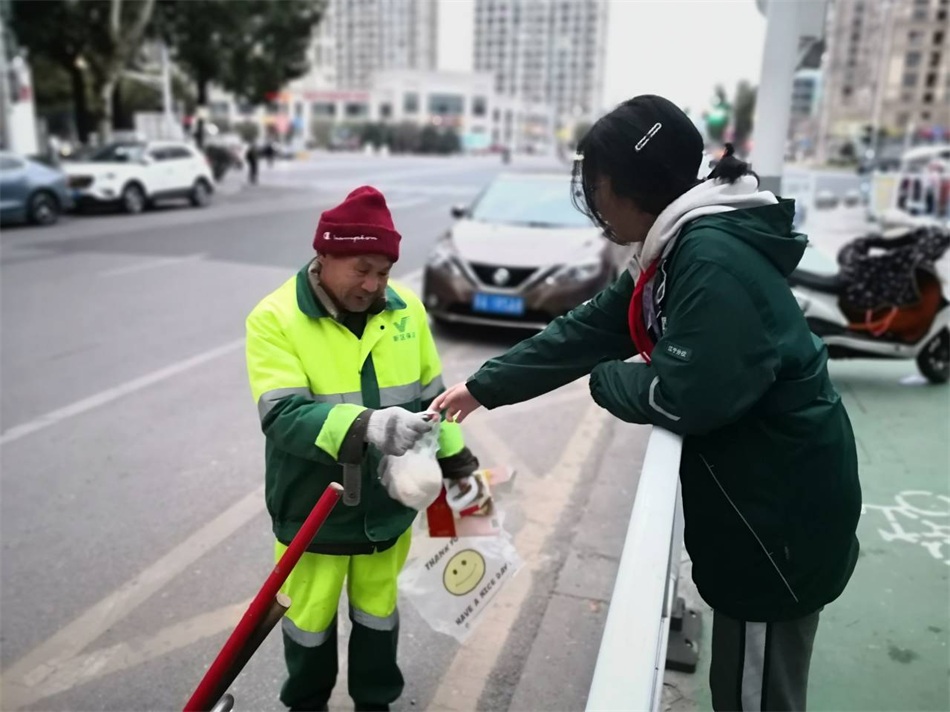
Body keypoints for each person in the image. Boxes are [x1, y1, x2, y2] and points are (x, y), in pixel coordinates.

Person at [433, 95, 862, 711]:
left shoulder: (709, 259)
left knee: (758, 693)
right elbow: (589, 327)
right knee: (746, 682)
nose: (593, 199)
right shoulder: (676, 246)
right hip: (762, 503)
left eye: (597, 184)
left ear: (630, 186)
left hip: (777, 519)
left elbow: (687, 397)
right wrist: (483, 387)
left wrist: (610, 379)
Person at [246, 186, 480, 711]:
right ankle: (306, 703)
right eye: (361, 269)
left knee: (378, 611)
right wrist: (368, 426)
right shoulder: (275, 317)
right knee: (308, 621)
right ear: (325, 255)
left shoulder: (406, 310)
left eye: (384, 272)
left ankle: (376, 701)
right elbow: (282, 416)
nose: (373, 284)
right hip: (313, 510)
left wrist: (457, 459)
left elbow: (431, 394)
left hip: (388, 505)